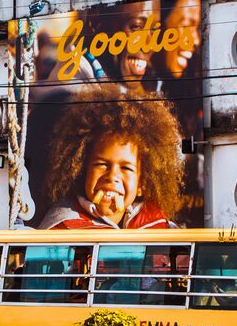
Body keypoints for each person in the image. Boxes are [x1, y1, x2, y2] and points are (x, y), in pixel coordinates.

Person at [37, 85, 185, 229]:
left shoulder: (159, 228)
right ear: (83, 171)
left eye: (126, 167)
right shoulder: (62, 229)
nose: (112, 176)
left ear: (142, 184)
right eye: (102, 164)